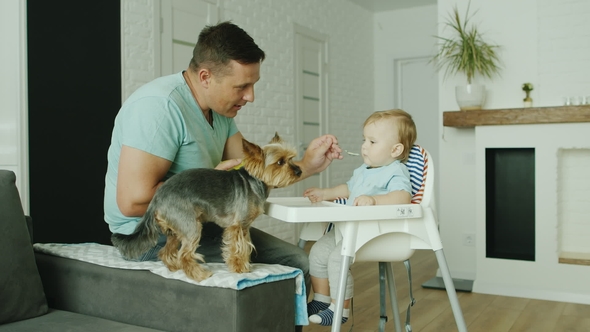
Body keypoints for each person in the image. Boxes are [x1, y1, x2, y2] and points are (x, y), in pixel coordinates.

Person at [103, 21, 342, 331]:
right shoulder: (158, 109)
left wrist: (308, 165)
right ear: (206, 77)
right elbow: (132, 203)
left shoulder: (221, 113)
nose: (251, 96)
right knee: (287, 265)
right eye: (242, 86)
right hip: (154, 233)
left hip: (206, 221)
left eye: (253, 84)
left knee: (296, 260)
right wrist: (207, 181)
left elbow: (252, 174)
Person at [302, 109, 417, 326]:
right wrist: (326, 193)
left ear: (395, 149)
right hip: (348, 230)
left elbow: (402, 197)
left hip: (374, 234)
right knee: (316, 252)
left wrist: (374, 200)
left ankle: (339, 309)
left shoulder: (396, 171)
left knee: (337, 259)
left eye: (372, 141)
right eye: (364, 139)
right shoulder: (364, 170)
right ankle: (321, 299)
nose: (364, 145)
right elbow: (348, 189)